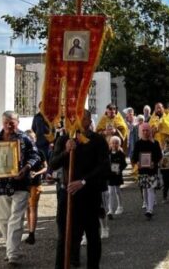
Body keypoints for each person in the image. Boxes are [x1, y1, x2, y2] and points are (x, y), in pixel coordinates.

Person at [50, 110, 110, 269]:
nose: (77, 120)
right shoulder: (64, 139)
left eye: (82, 117)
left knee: (92, 234)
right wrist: (66, 151)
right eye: (74, 117)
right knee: (64, 236)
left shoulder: (98, 140)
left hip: (89, 194)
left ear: (89, 120)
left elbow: (104, 167)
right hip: (67, 193)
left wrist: (84, 181)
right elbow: (53, 164)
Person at [0, 111, 40, 265]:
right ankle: (10, 249)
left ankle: (13, 254)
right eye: (6, 122)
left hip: (20, 184)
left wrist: (25, 168)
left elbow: (35, 156)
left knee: (16, 219)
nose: (9, 125)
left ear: (18, 123)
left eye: (12, 122)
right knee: (4, 219)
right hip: (0, 184)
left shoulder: (24, 138)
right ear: (2, 122)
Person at [131, 123, 163, 220]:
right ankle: (146, 204)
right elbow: (134, 156)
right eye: (143, 130)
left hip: (152, 169)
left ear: (150, 131)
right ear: (141, 132)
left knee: (151, 188)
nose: (145, 132)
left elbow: (159, 155)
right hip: (142, 169)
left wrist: (154, 162)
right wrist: (137, 163)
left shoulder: (155, 143)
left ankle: (150, 210)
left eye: (147, 130)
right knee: (144, 189)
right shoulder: (138, 143)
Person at [24, 130, 48, 245]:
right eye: (28, 138)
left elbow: (46, 167)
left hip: (36, 183)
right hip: (25, 184)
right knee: (27, 209)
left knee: (33, 207)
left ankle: (32, 233)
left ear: (35, 139)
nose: (31, 140)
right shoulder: (23, 152)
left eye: (32, 138)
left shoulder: (40, 152)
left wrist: (37, 173)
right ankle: (29, 231)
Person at [106, 136, 127, 219]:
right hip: (110, 175)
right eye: (113, 143)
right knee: (110, 192)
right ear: (110, 144)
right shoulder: (108, 153)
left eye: (116, 143)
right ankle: (110, 210)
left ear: (119, 144)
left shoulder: (121, 154)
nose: (114, 144)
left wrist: (120, 170)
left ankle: (120, 206)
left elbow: (124, 164)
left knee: (117, 190)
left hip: (117, 175)